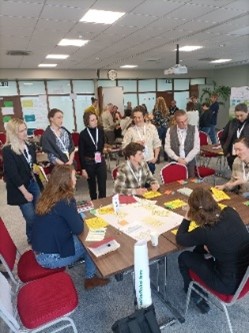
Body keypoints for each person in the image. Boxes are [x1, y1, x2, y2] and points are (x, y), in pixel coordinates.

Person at [32, 165, 109, 290]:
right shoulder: (65, 200)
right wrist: (79, 217)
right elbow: (78, 229)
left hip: (40, 251)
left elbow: (63, 215)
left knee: (84, 235)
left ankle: (87, 264)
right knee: (91, 239)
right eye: (74, 177)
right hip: (50, 258)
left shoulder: (48, 195)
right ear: (66, 181)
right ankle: (90, 278)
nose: (76, 179)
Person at [176, 187, 249, 314]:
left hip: (227, 284)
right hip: (244, 277)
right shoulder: (230, 212)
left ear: (194, 212)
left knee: (184, 257)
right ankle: (198, 273)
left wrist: (187, 217)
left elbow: (180, 239)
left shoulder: (205, 232)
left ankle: (195, 294)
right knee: (200, 248)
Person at [2, 118, 41, 244]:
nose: (25, 133)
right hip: (19, 188)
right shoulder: (8, 150)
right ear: (13, 133)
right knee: (30, 217)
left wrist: (36, 168)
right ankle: (32, 237)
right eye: (21, 131)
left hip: (32, 182)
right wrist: (25, 193)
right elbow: (13, 175)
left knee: (39, 211)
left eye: (25, 129)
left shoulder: (30, 146)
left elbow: (32, 163)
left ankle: (33, 235)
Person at [122, 105, 161, 174]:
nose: (137, 120)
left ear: (144, 117)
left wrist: (155, 158)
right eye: (135, 117)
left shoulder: (151, 128)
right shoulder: (130, 130)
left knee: (149, 183)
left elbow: (157, 144)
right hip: (136, 163)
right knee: (138, 184)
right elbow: (124, 147)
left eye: (139, 117)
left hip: (150, 161)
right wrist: (134, 145)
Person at [78, 112, 107, 200]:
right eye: (92, 120)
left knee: (102, 185)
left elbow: (102, 144)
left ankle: (103, 203)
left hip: (100, 161)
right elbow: (81, 152)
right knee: (92, 186)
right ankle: (94, 203)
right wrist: (83, 169)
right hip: (89, 162)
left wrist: (101, 153)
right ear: (87, 122)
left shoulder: (100, 131)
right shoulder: (83, 134)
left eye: (96, 119)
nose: (95, 121)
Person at [165, 110, 200, 178]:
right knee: (175, 184)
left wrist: (186, 160)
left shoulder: (194, 129)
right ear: (176, 121)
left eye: (186, 120)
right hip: (174, 162)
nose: (185, 123)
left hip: (189, 162)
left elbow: (196, 147)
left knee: (190, 184)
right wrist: (177, 158)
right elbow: (167, 147)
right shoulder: (170, 130)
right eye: (181, 122)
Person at [220, 103, 249, 170]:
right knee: (234, 175)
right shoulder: (232, 123)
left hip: (246, 156)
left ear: (247, 112)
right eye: (237, 116)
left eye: (241, 115)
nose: (239, 118)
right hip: (231, 155)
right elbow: (223, 138)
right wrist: (226, 151)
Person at [153, 96, 170, 162]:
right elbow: (168, 119)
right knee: (165, 143)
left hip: (159, 128)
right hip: (165, 127)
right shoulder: (166, 110)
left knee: (158, 143)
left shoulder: (156, 110)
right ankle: (166, 157)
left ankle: (158, 159)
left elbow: (156, 120)